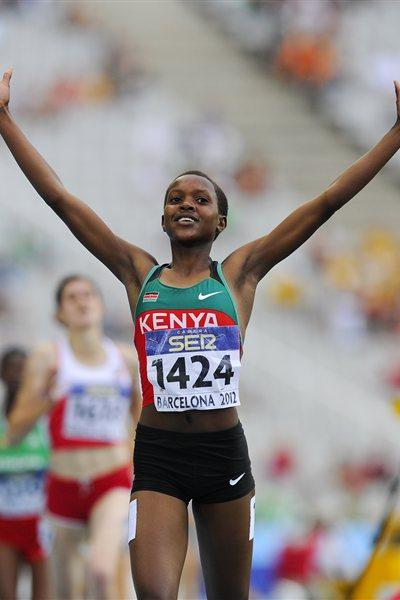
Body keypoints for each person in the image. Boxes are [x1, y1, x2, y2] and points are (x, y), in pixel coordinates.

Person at [1, 66, 400, 599]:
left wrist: (395, 137)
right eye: (175, 198)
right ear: (164, 219)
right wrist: (4, 120)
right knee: (156, 594)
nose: (186, 202)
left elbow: (326, 203)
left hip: (224, 459)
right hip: (158, 458)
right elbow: (61, 200)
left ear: (220, 223)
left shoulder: (240, 274)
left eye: (200, 199)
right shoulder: (136, 273)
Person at [5, 276, 140, 600]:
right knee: (64, 590)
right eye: (72, 297)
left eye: (89, 295)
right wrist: (46, 400)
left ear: (101, 305)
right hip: (63, 487)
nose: (82, 302)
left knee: (101, 571)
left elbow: (142, 422)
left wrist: (140, 467)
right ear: (60, 314)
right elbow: (14, 432)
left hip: (111, 482)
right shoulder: (47, 358)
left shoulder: (125, 360)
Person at [0, 347, 51, 600]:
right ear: (2, 374)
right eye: (12, 368)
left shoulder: (45, 422)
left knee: (43, 594)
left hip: (40, 523)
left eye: (24, 368)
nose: (18, 374)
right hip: (5, 524)